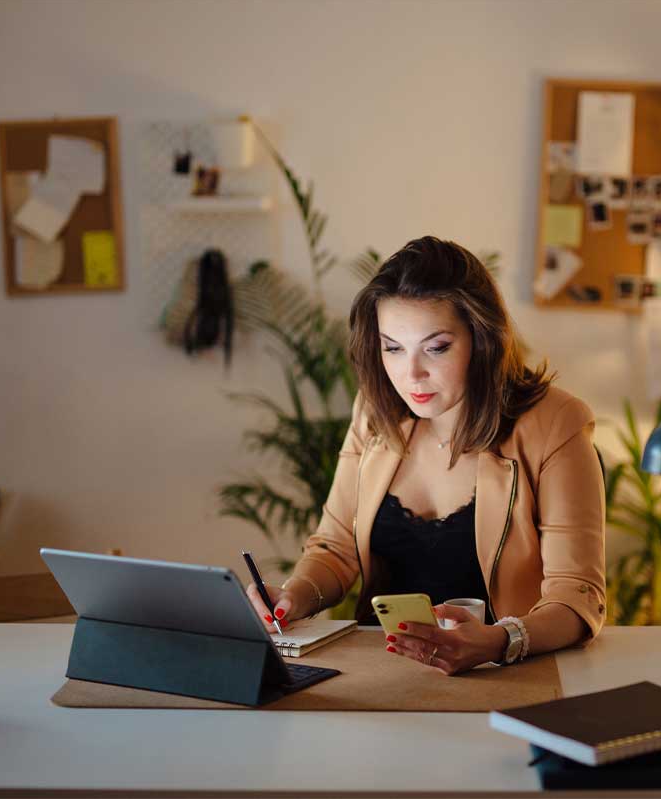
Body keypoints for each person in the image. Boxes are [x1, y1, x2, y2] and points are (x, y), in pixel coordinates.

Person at [247, 236, 605, 675]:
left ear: (482, 339)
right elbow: (334, 549)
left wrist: (498, 641)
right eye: (392, 347)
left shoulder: (556, 424)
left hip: (507, 674)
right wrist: (293, 596)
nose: (410, 373)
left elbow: (577, 595)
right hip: (382, 674)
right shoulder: (374, 413)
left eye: (436, 348)